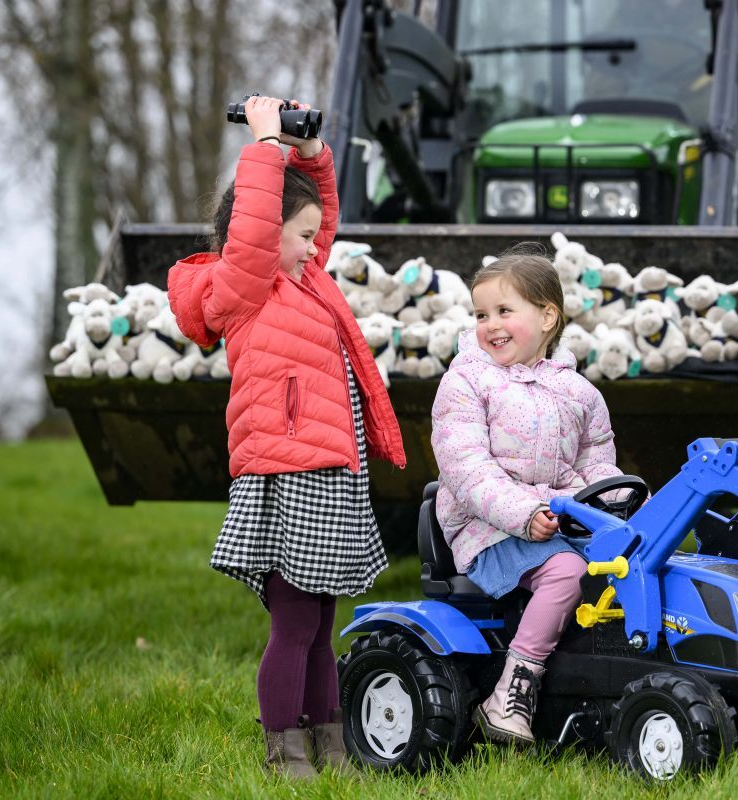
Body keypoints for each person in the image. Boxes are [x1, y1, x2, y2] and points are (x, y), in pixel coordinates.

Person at [167, 95, 406, 778]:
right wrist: (266, 147)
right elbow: (249, 239)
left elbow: (320, 215)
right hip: (287, 473)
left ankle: (328, 740)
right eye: (298, 236)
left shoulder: (301, 278)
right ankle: (283, 752)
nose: (313, 247)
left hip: (330, 470)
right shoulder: (241, 286)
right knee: (294, 626)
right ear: (261, 232)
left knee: (322, 628)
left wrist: (310, 154)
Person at [430, 247, 625, 744]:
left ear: (547, 316)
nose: (490, 325)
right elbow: (466, 468)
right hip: (488, 529)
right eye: (481, 315)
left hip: (558, 525)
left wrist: (613, 505)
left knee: (635, 563)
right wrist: (523, 513)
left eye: (503, 311)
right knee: (567, 573)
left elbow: (596, 466)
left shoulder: (580, 392)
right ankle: (513, 689)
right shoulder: (466, 382)